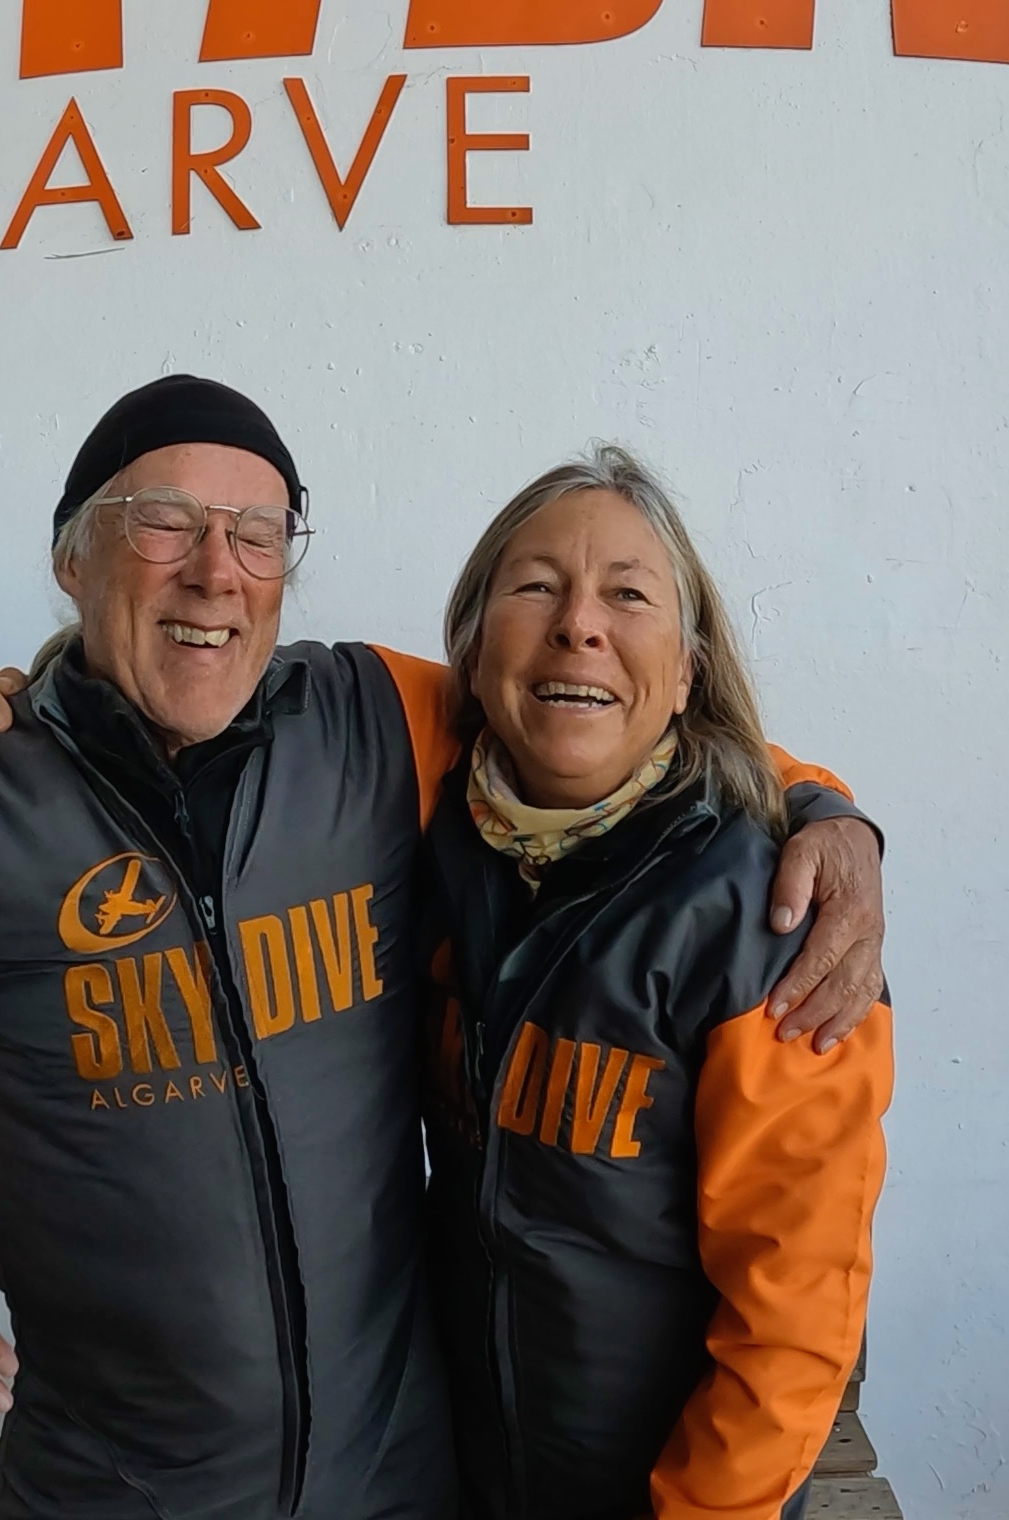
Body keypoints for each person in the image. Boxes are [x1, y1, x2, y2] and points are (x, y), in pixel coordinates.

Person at [0, 376, 885, 1519]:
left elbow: (589, 725)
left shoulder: (373, 722)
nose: (215, 572)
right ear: (70, 557)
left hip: (400, 1475)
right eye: (163, 522)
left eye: (257, 533)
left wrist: (822, 810)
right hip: (113, 1488)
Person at [420, 447, 889, 1520]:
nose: (578, 625)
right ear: (472, 649)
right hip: (454, 1472)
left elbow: (794, 1312)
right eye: (535, 585)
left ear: (685, 671)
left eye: (628, 595)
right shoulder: (428, 832)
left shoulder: (775, 917)